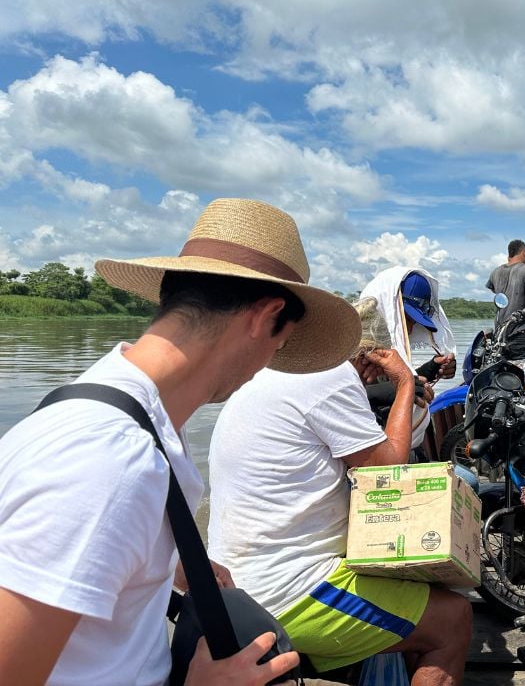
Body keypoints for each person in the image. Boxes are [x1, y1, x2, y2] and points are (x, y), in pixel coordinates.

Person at [0, 198, 360, 685]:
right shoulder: (107, 459)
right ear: (266, 315)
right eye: (280, 345)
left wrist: (167, 558)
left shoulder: (124, 407)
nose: (265, 366)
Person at [208, 334, 472, 685]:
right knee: (454, 618)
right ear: (373, 358)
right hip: (286, 591)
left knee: (412, 587)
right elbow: (388, 471)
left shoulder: (270, 372)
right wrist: (406, 381)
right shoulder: (328, 377)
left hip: (236, 585)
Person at [358, 267, 457, 451]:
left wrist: (431, 369)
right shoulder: (353, 346)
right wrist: (402, 387)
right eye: (407, 320)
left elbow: (394, 381)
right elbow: (340, 395)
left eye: (414, 323)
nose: (410, 330)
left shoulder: (386, 350)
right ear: (388, 308)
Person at [486, 239, 525, 360]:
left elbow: (495, 291)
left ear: (509, 255)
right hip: (522, 336)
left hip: (500, 338)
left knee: (505, 375)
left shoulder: (495, 272)